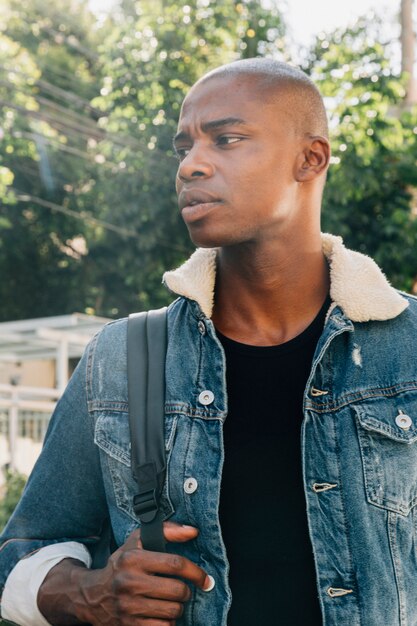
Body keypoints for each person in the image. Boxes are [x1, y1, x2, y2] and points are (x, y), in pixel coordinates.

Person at [0, 56, 416, 626]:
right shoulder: (121, 359)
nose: (191, 166)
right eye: (184, 147)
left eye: (226, 139)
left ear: (310, 158)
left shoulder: (409, 347)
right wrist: (86, 592)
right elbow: (22, 548)